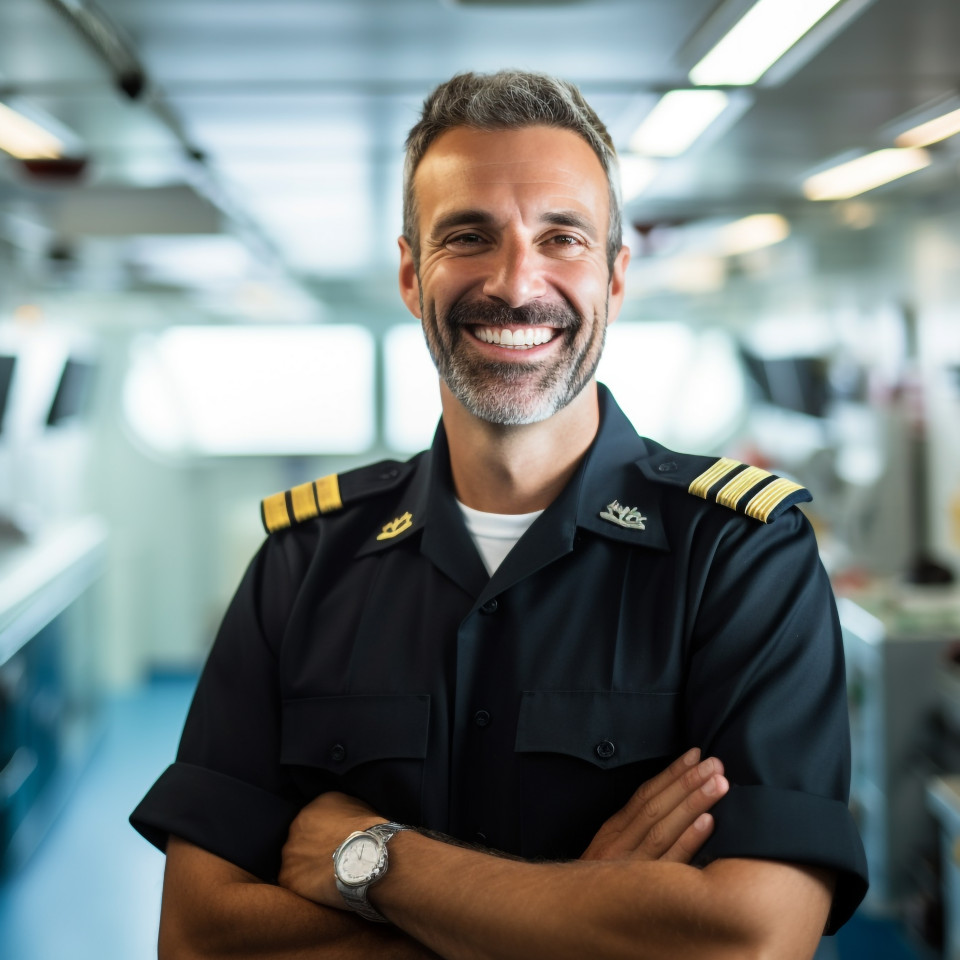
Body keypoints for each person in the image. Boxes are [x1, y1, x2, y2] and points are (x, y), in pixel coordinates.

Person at [131, 70, 868, 959]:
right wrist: (593, 913)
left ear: (614, 276)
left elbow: (746, 942)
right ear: (411, 274)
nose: (518, 284)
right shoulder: (303, 563)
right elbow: (199, 937)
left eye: (561, 238)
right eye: (468, 237)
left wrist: (375, 865)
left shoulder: (740, 555)